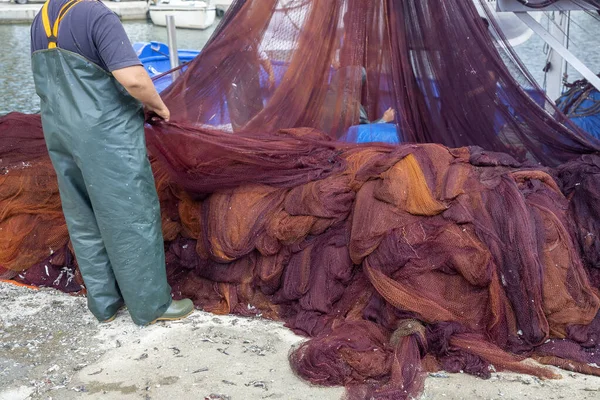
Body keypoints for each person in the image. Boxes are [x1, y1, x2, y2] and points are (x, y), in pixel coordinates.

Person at [30, 0, 193, 326]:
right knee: (131, 216)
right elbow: (133, 79)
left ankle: (104, 303)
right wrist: (159, 106)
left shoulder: (41, 19)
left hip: (60, 134)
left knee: (83, 217)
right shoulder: (94, 13)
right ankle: (151, 306)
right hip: (105, 135)